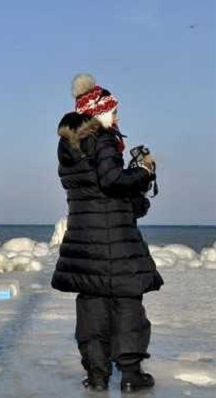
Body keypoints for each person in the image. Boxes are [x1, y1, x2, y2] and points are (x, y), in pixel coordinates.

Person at [52, 73, 164, 392]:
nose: (117, 116)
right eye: (113, 111)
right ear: (100, 112)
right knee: (126, 301)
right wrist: (143, 172)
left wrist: (134, 188)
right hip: (113, 239)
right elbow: (112, 180)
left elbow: (97, 187)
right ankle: (130, 374)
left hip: (84, 239)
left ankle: (97, 374)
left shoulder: (70, 144)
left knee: (92, 305)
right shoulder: (102, 139)